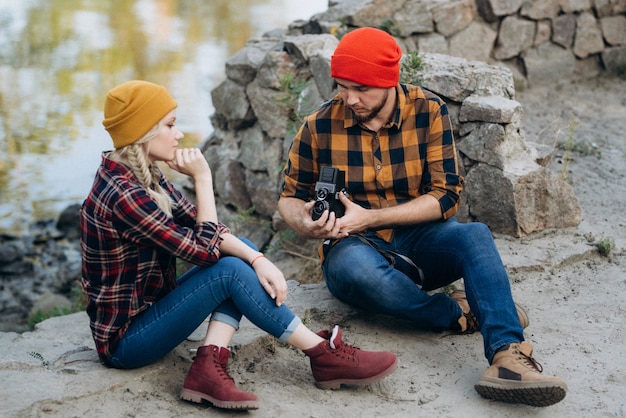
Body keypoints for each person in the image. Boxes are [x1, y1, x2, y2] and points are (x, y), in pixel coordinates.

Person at [278, 27, 567, 407]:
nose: (349, 98)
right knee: (357, 269)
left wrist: (371, 217)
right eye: (342, 86)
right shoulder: (318, 125)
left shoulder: (428, 111)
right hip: (352, 249)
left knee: (474, 235)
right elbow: (288, 198)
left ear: (388, 81)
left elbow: (447, 196)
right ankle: (457, 312)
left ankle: (507, 356)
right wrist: (305, 221)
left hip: (420, 240)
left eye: (360, 88)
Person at [80, 80, 398, 411]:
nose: (178, 135)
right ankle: (321, 353)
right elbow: (204, 250)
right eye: (170, 126)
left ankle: (208, 366)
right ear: (143, 132)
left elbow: (209, 232)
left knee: (239, 251)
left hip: (152, 312)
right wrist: (203, 179)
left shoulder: (141, 174)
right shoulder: (124, 195)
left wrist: (258, 258)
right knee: (229, 270)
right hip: (126, 342)